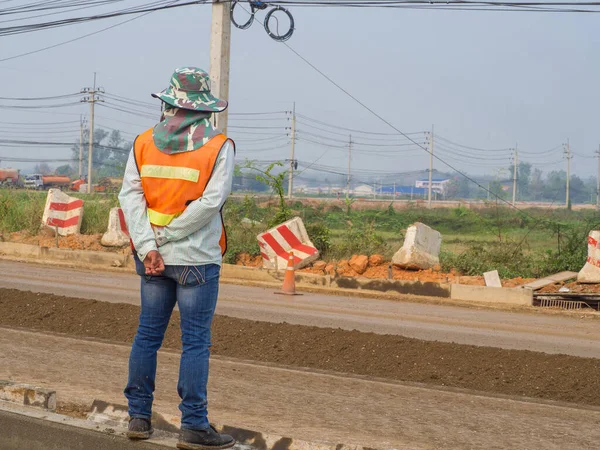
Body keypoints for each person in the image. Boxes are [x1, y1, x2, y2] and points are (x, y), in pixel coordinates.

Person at [119, 67, 236, 450]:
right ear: (205, 109)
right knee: (196, 342)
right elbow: (210, 204)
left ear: (169, 103)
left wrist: (148, 244)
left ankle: (139, 417)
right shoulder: (219, 146)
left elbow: (130, 197)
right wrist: (168, 237)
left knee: (147, 336)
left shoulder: (142, 143)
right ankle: (194, 426)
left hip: (152, 257)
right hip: (197, 260)